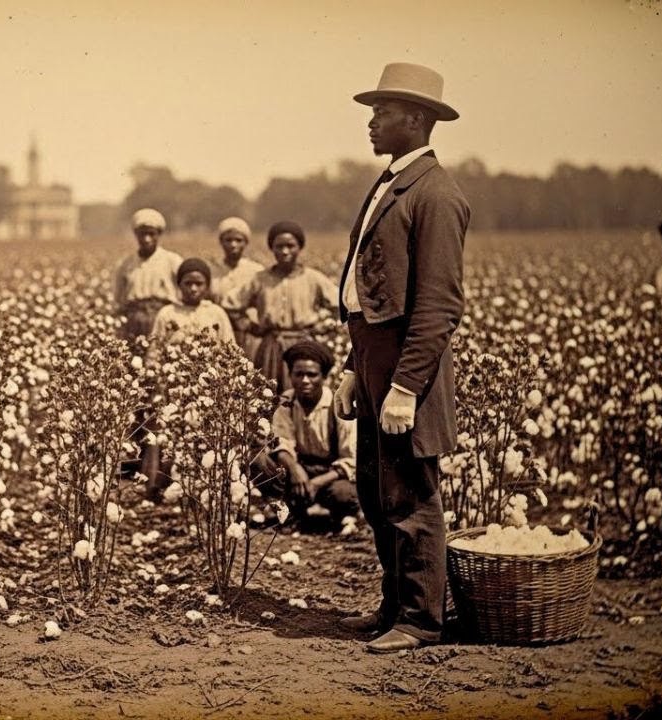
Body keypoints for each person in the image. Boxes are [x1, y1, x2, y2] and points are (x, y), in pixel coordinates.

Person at [333, 63, 469, 653]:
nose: (371, 122)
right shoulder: (391, 182)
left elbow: (438, 305)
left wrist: (406, 386)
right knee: (374, 489)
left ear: (416, 119)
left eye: (381, 112)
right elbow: (372, 290)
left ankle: (420, 620)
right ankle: (395, 605)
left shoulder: (437, 195)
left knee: (412, 494)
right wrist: (349, 367)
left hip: (406, 371)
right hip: (373, 363)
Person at [142, 258, 235, 498]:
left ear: (207, 286)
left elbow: (229, 349)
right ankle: (164, 485)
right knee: (171, 433)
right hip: (174, 386)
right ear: (179, 284)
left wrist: (224, 381)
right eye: (188, 283)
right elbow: (154, 351)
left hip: (208, 386)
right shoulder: (167, 313)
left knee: (205, 433)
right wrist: (158, 382)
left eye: (199, 283)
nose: (193, 289)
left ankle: (204, 486)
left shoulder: (216, 313)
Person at [252, 340, 358, 528]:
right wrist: (295, 470)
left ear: (323, 376)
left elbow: (350, 460)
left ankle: (323, 511)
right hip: (297, 471)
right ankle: (292, 509)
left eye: (312, 375)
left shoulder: (337, 405)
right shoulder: (287, 401)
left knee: (344, 494)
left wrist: (316, 483)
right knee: (258, 461)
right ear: (290, 375)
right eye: (299, 374)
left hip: (329, 474)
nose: (305, 381)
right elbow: (281, 442)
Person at [231, 221, 338, 393]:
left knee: (303, 392)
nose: (285, 251)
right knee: (268, 395)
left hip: (304, 344)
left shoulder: (313, 279)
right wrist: (250, 326)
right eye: (279, 246)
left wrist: (325, 326)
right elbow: (231, 304)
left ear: (300, 247)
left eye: (290, 246)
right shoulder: (260, 279)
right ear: (272, 248)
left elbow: (340, 304)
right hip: (272, 346)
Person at [113, 208, 183, 349]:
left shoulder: (172, 261)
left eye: (152, 234)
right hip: (134, 320)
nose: (147, 239)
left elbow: (184, 293)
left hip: (163, 318)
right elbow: (119, 299)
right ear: (136, 235)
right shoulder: (125, 264)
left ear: (159, 234)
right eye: (142, 234)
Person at [209, 217, 265, 359]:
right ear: (221, 242)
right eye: (228, 240)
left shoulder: (256, 271)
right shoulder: (212, 271)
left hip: (247, 332)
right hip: (218, 329)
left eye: (239, 240)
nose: (233, 244)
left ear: (246, 242)